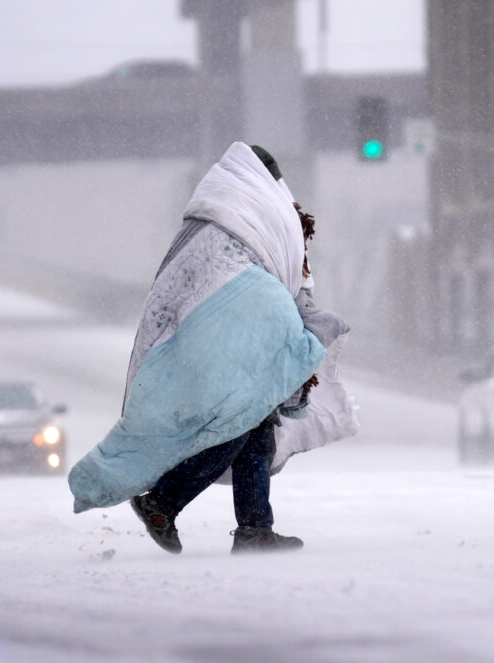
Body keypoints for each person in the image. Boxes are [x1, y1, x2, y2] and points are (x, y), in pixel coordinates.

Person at [68, 142, 356, 554]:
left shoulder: (211, 217)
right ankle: (163, 501)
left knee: (255, 424)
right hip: (230, 334)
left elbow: (179, 286)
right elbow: (281, 275)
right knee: (238, 421)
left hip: (203, 334)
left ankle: (255, 528)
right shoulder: (262, 214)